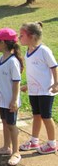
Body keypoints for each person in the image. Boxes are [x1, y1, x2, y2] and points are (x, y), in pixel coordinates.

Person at [19, 22, 58, 154]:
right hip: (34, 91)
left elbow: (54, 66)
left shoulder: (44, 50)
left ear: (31, 36)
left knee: (46, 116)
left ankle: (52, 143)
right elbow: (34, 72)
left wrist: (56, 83)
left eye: (22, 35)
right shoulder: (28, 51)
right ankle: (34, 140)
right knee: (36, 115)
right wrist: (27, 85)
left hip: (46, 90)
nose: (19, 38)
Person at [0, 28, 24, 166]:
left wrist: (14, 100)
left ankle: (16, 152)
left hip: (10, 101)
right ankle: (5, 147)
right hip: (2, 100)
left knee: (12, 125)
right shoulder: (1, 58)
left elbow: (16, 81)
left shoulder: (12, 61)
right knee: (4, 122)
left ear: (2, 43)